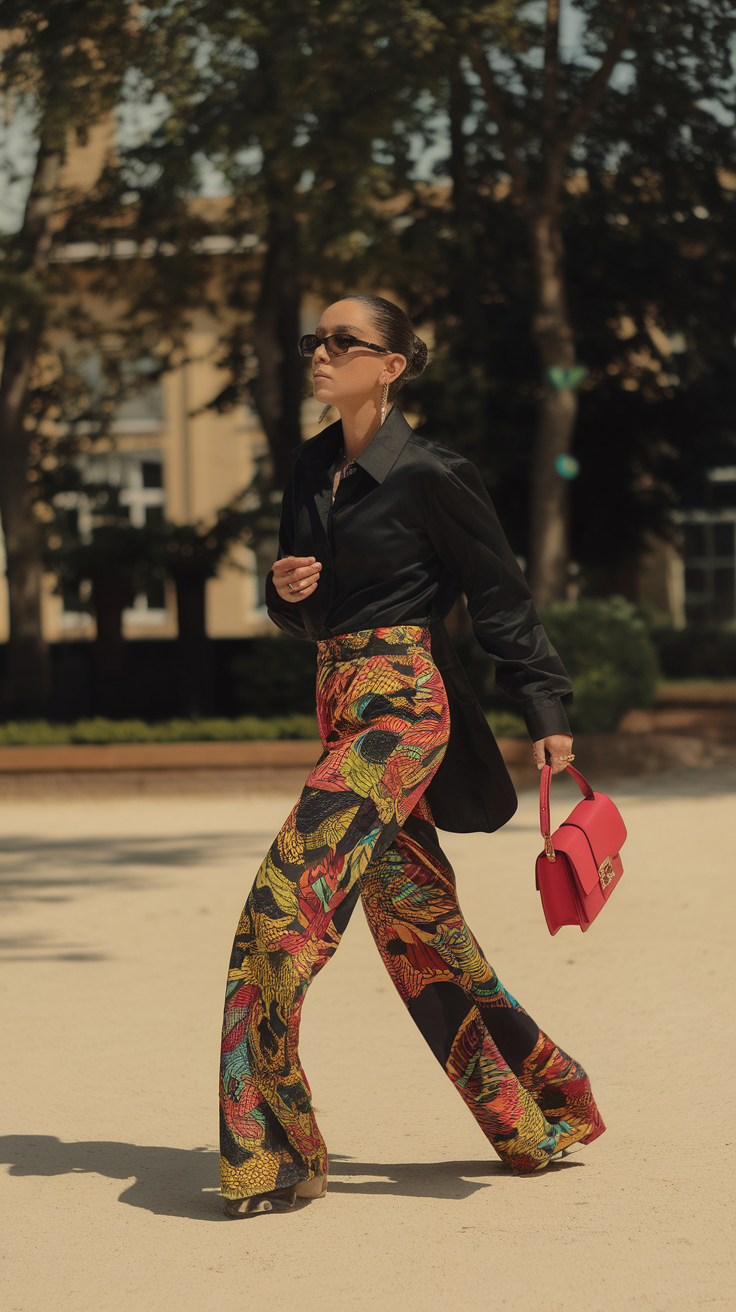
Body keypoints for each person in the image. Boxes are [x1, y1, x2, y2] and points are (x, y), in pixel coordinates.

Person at [219, 294, 605, 1218]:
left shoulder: (434, 471)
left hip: (403, 707)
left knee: (280, 914)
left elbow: (500, 598)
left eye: (343, 341)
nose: (321, 352)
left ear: (391, 364)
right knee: (421, 933)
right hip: (338, 695)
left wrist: (545, 706)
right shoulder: (311, 466)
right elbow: (305, 611)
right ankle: (537, 1111)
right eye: (316, 338)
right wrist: (286, 592)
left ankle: (271, 1154)